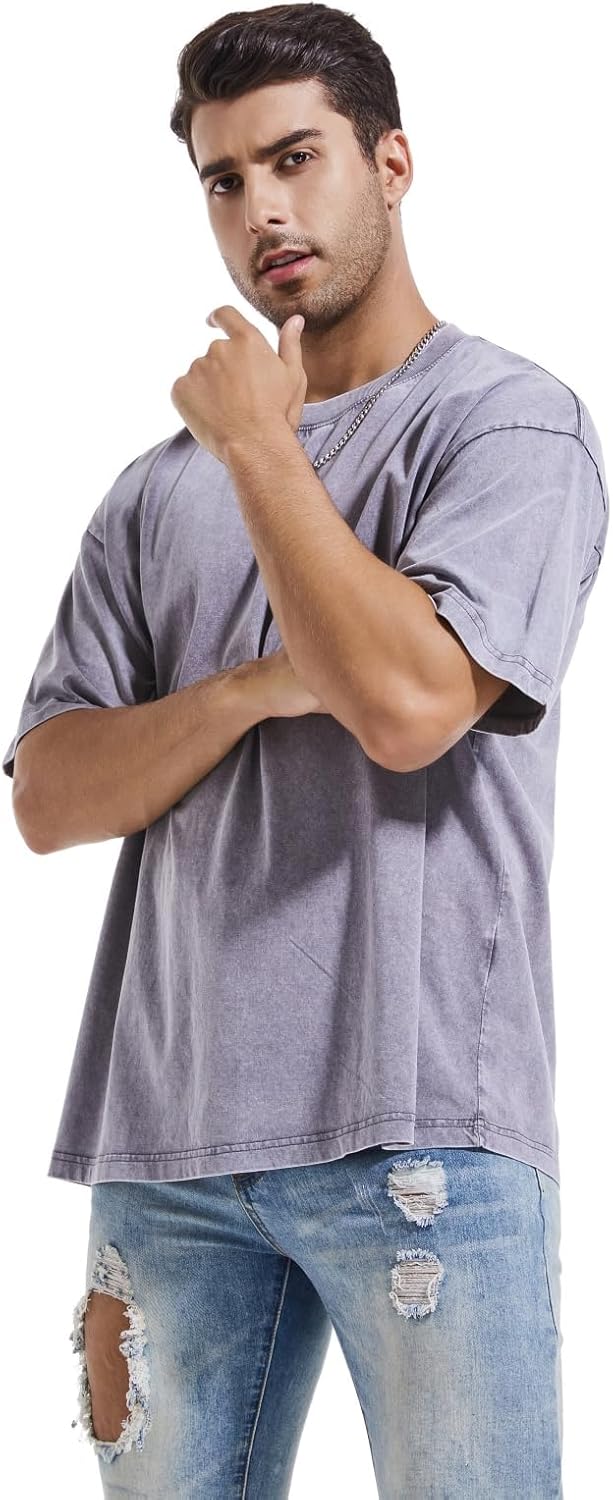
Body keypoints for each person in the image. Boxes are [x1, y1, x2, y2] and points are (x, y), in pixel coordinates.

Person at [4, 5, 607, 1495]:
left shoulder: (506, 426)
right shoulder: (154, 491)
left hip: (421, 1144)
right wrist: (253, 689)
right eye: (224, 179)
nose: (261, 209)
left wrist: (267, 449)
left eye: (296, 159)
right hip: (162, 1154)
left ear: (390, 163)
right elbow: (50, 795)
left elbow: (407, 708)